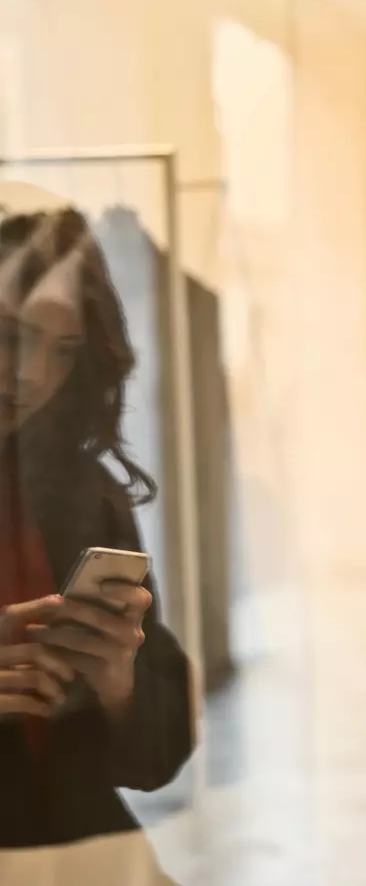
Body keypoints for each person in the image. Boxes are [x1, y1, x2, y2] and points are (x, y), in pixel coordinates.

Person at [0, 198, 194, 851]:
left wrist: (118, 682)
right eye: (9, 335)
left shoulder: (82, 491)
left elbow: (158, 755)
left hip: (73, 847)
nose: (30, 375)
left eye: (62, 350)